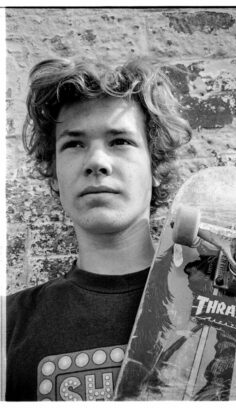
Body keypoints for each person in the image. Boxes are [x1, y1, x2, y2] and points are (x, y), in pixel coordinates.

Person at [6, 57, 191, 401]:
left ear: (155, 165)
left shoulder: (216, 309)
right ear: (54, 173)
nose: (96, 162)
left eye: (119, 141)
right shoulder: (8, 326)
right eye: (74, 144)